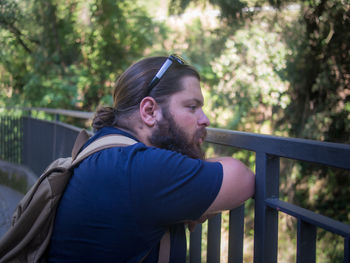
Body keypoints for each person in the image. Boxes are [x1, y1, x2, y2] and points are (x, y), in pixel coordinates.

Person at [47, 55, 255, 262]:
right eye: (192, 107)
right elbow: (242, 178)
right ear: (149, 111)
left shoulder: (106, 147)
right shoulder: (139, 168)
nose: (205, 119)